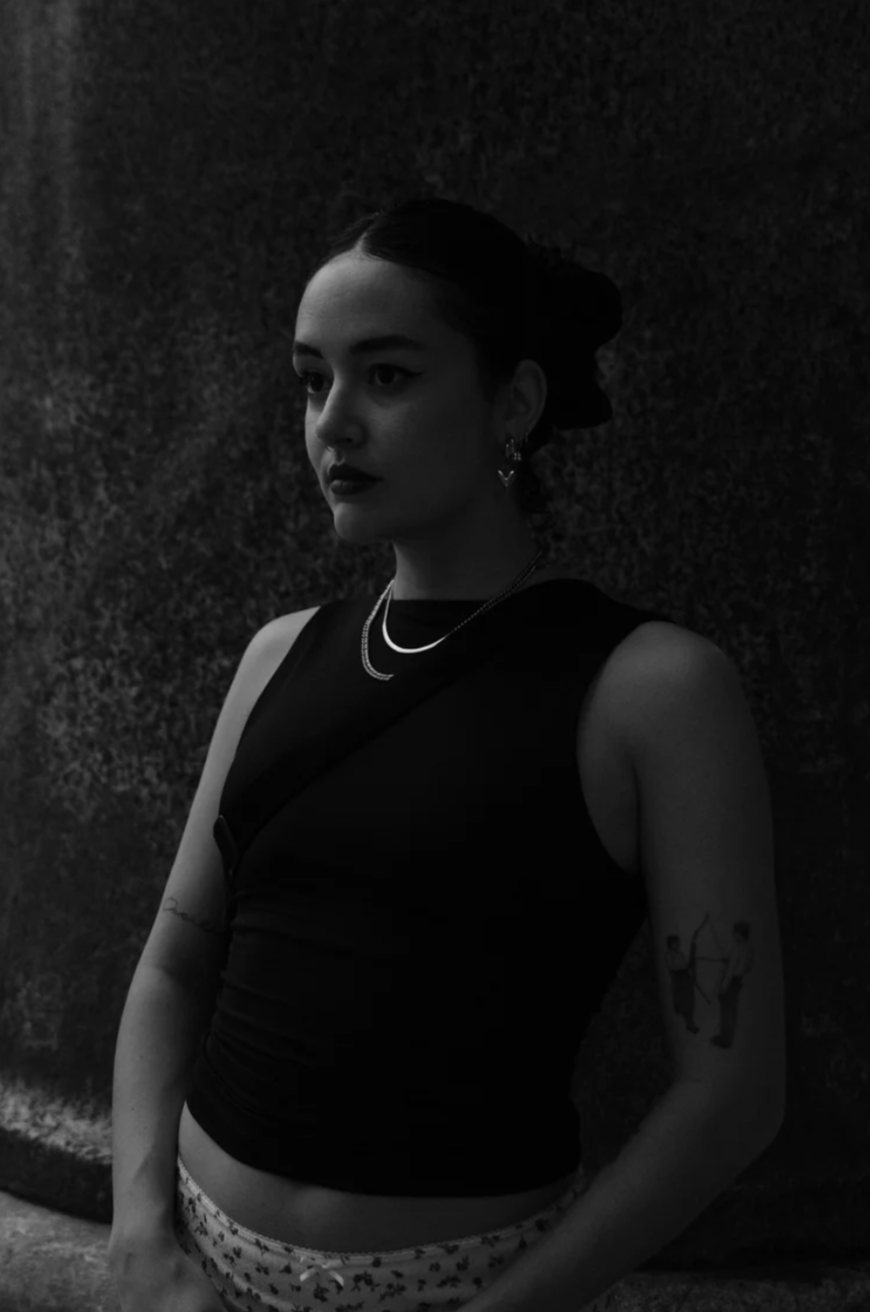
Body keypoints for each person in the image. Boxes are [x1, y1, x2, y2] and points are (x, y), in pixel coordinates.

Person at [109, 196, 781, 1312]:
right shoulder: (278, 655)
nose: (333, 422)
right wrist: (139, 1233)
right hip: (195, 1281)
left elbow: (734, 1092)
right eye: (311, 380)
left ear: (512, 400)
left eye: (387, 375)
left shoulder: (652, 688)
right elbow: (178, 954)